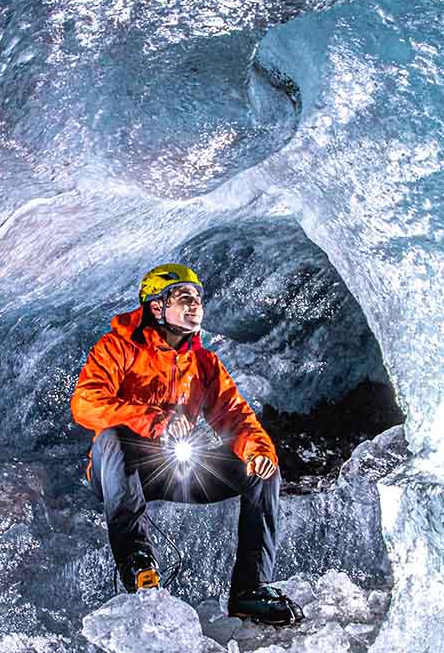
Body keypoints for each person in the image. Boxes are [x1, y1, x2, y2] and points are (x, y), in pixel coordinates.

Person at [70, 263, 304, 626]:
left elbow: (236, 418)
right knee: (113, 437)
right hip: (118, 471)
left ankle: (250, 590)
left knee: (261, 470)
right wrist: (154, 420)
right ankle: (138, 562)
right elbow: (85, 403)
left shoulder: (204, 363)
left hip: (175, 469)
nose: (195, 306)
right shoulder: (116, 348)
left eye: (198, 299)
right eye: (184, 298)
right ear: (156, 307)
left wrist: (257, 451)